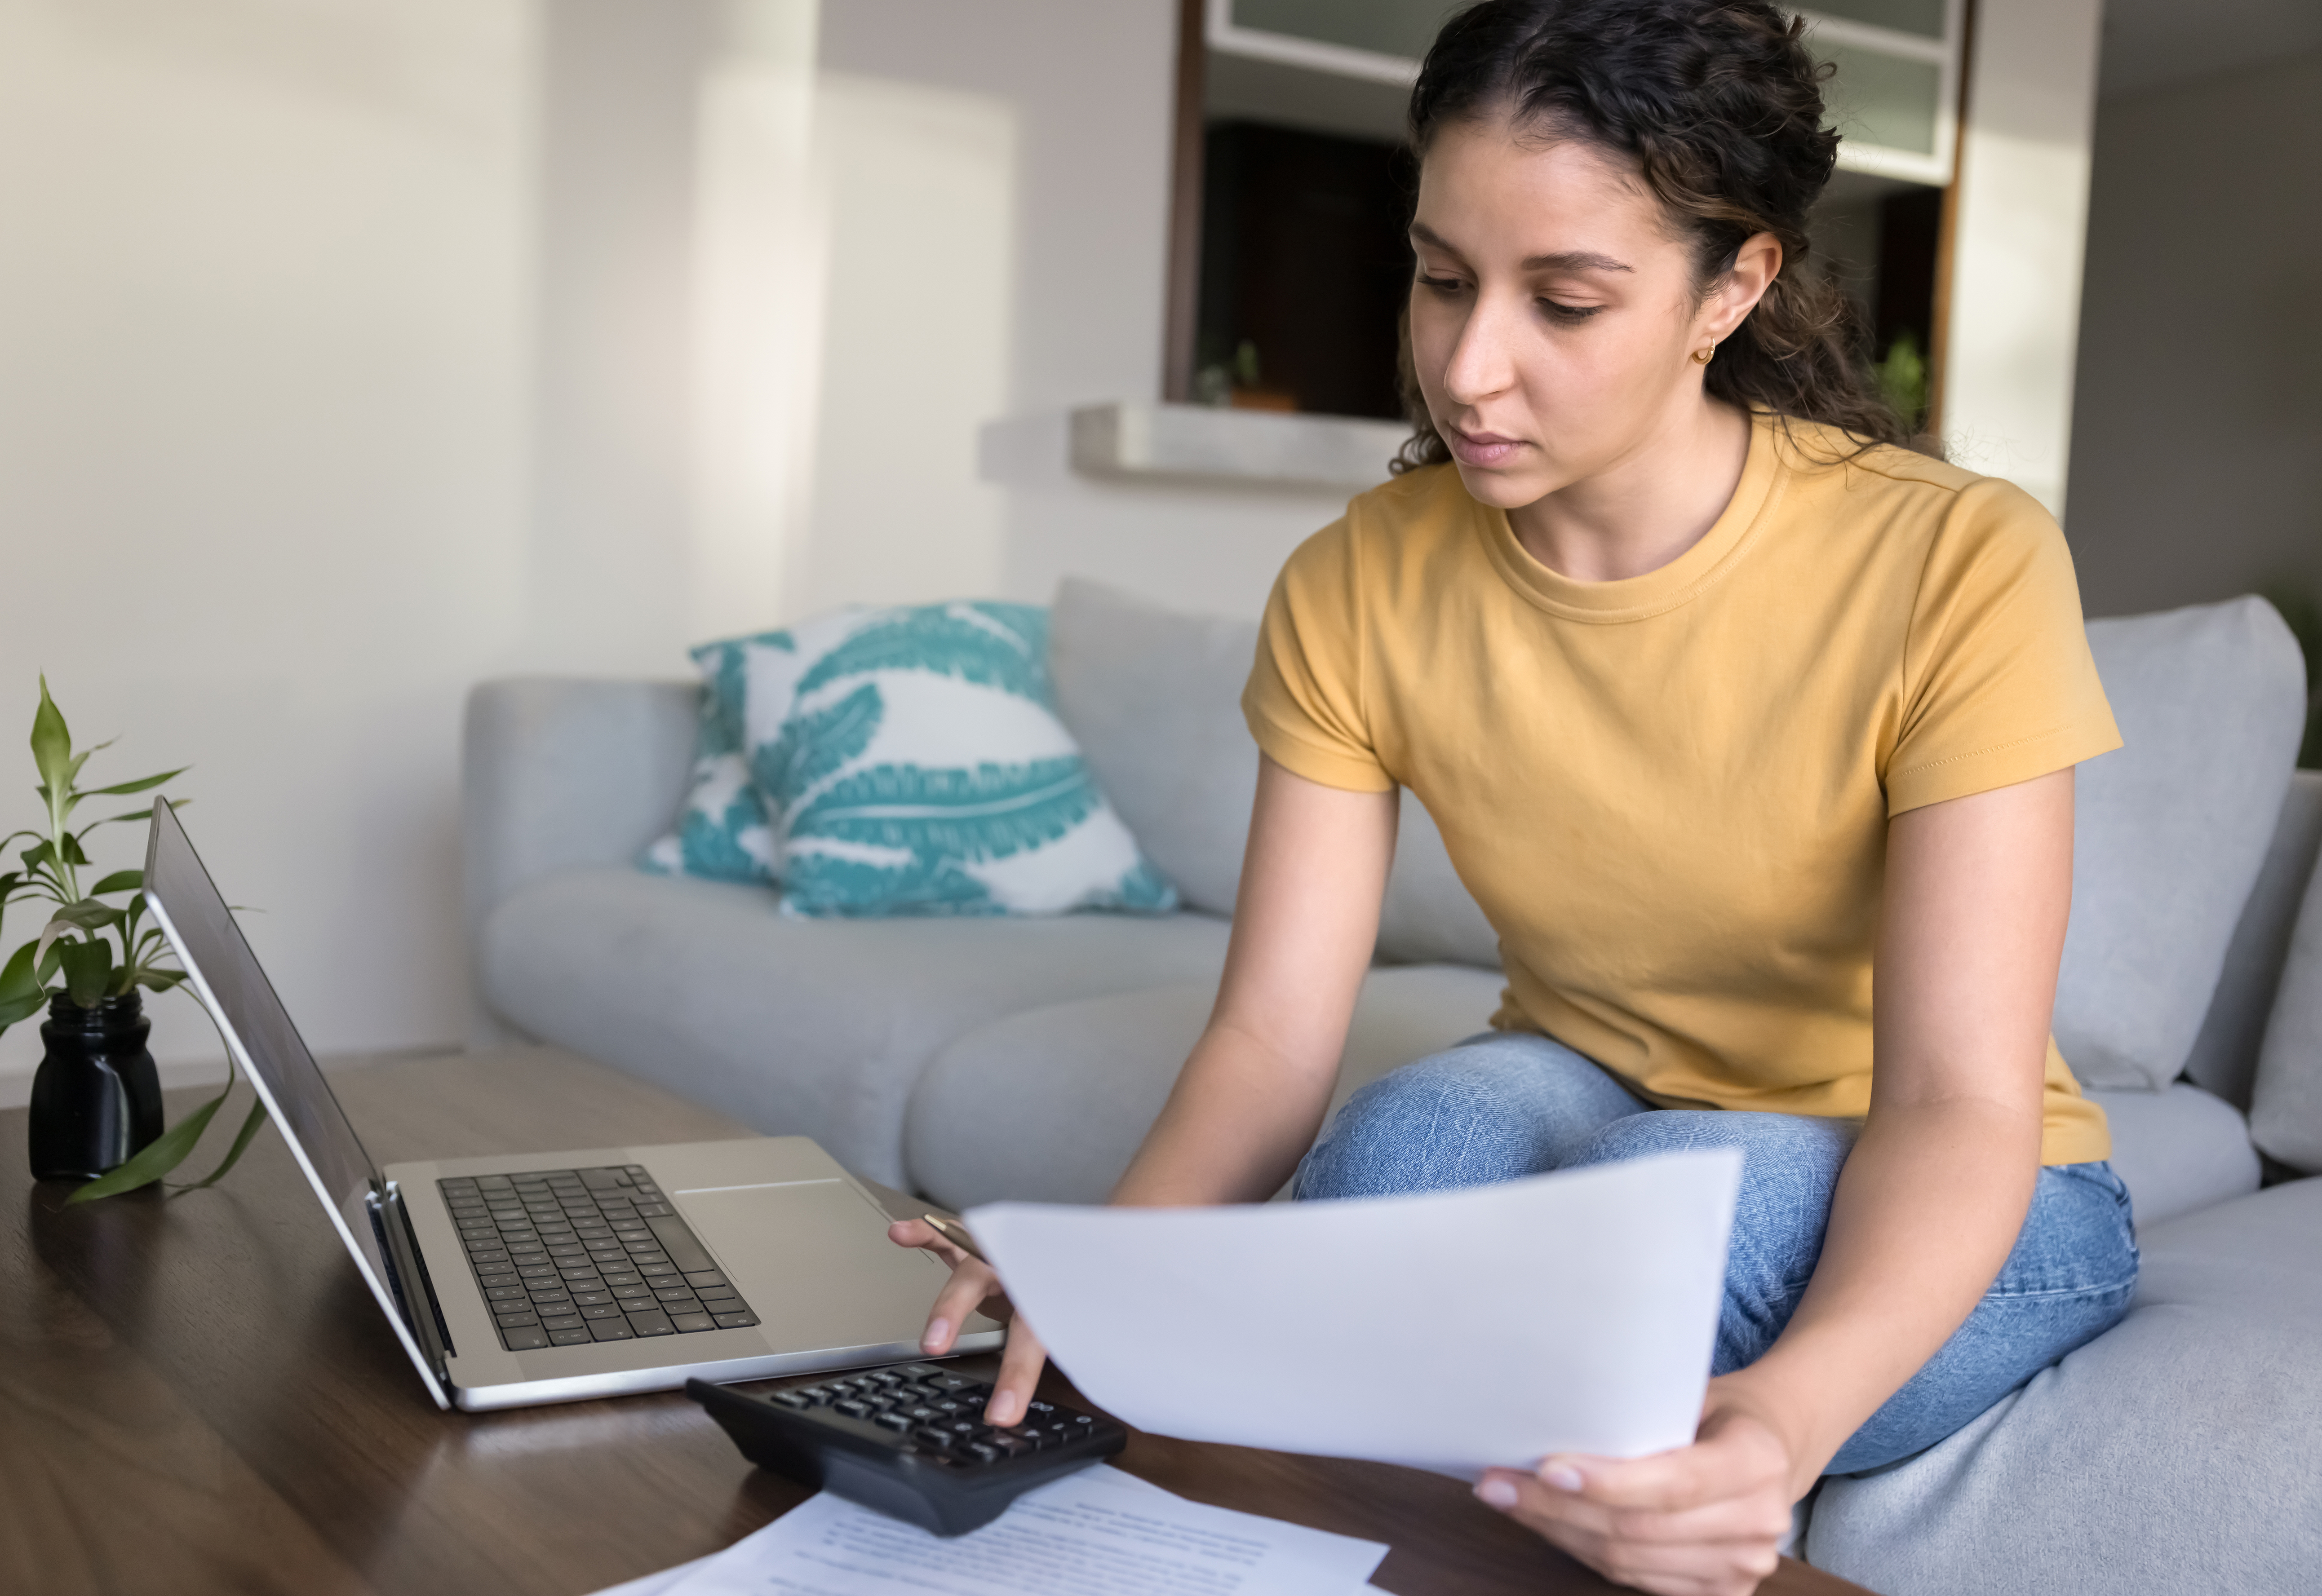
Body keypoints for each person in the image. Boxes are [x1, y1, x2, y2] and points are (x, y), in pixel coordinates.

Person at [892, 3, 2138, 1591]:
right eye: (1438, 277)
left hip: (1976, 1177)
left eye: (1563, 300)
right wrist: (1105, 1280)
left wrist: (1787, 1422)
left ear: (1731, 286)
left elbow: (1960, 1101)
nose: (1468, 369)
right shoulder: (1361, 579)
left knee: (1650, 1213)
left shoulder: (1955, 559)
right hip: (1603, 1078)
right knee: (1404, 1149)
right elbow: (1274, 1032)